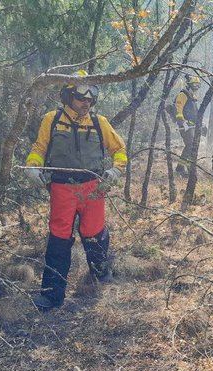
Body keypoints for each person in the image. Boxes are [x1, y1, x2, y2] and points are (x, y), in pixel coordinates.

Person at [24, 70, 127, 311]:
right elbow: (39, 148)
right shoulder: (52, 119)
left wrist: (115, 172)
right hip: (61, 187)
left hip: (93, 187)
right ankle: (51, 295)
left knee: (94, 233)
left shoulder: (99, 123)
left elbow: (120, 151)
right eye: (82, 98)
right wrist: (32, 167)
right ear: (69, 95)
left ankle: (101, 275)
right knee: (59, 238)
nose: (86, 102)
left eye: (90, 99)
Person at [174, 75, 202, 176]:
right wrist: (181, 121)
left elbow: (195, 113)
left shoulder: (192, 97)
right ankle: (184, 169)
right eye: (195, 84)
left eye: (198, 85)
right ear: (189, 84)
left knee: (190, 146)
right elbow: (178, 109)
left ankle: (181, 167)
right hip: (185, 125)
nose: (196, 87)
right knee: (189, 146)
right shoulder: (183, 95)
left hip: (192, 126)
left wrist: (201, 125)